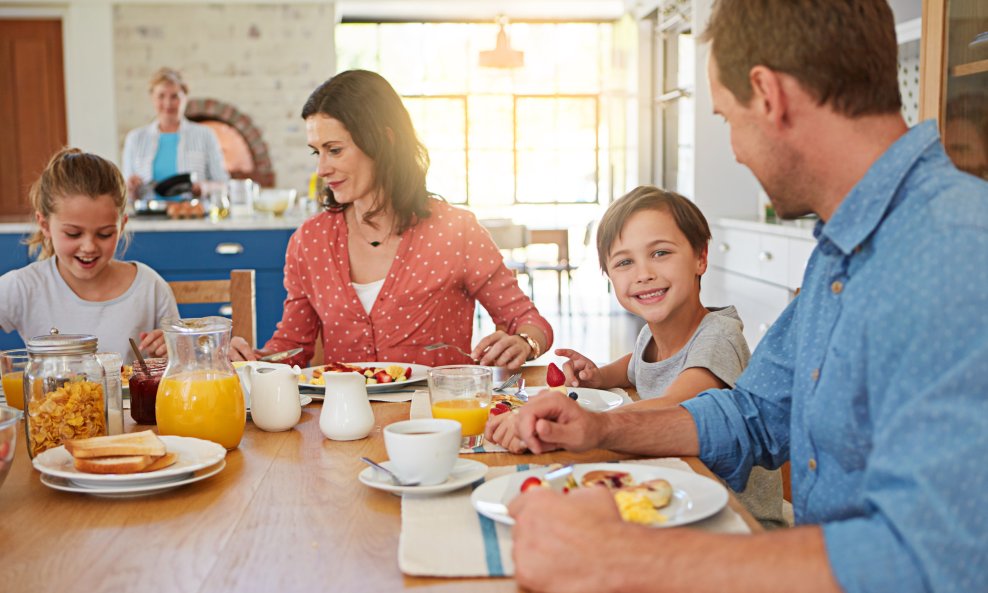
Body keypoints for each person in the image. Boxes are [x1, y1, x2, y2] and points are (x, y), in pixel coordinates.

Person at [507, 1, 988, 592]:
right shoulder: (845, 252)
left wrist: (624, 558)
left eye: (728, 118)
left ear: (767, 94)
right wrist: (602, 430)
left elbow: (935, 561)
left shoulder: (957, 253)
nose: (734, 148)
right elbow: (753, 414)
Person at [486, 186, 784, 527]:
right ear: (609, 277)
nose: (643, 273)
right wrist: (599, 376)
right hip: (676, 496)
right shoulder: (651, 335)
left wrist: (586, 424)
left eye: (660, 253)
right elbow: (634, 366)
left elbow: (676, 406)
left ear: (701, 257)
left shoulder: (718, 336)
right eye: (625, 262)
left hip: (736, 519)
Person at [229, 70, 552, 369]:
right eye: (317, 152)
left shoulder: (456, 230)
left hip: (437, 422)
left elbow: (530, 322)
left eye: (335, 150)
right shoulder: (310, 240)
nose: (321, 169)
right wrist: (251, 360)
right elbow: (292, 347)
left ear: (384, 140)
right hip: (344, 428)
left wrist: (523, 342)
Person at [0, 148, 178, 362]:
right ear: (45, 225)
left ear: (122, 226)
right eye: (73, 234)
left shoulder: (150, 288)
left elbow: (184, 367)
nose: (89, 247)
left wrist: (173, 352)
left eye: (104, 234)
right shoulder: (24, 286)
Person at [121, 67, 229, 199]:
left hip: (193, 215)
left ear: (185, 98)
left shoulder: (205, 135)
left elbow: (224, 184)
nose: (168, 103)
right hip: (148, 217)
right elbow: (125, 192)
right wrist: (131, 188)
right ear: (152, 98)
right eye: (161, 96)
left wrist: (204, 188)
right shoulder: (135, 138)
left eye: (174, 96)